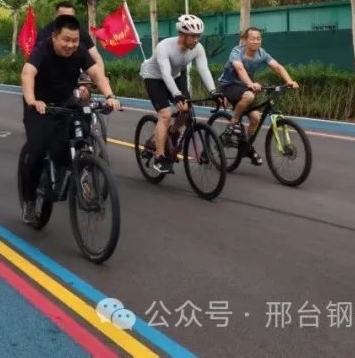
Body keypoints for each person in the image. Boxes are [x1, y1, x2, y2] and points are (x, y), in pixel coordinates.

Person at [20, 15, 121, 224]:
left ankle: (78, 172)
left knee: (80, 134)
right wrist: (32, 100)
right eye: (66, 40)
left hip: (66, 102)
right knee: (37, 151)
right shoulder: (42, 49)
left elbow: (97, 74)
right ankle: (29, 199)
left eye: (75, 40)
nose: (71, 45)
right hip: (40, 105)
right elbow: (27, 73)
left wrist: (110, 96)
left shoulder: (80, 51)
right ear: (54, 37)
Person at [139, 14, 225, 174]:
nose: (196, 40)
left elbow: (203, 69)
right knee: (165, 115)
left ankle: (172, 133)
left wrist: (214, 91)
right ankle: (159, 157)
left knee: (186, 110)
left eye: (198, 36)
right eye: (192, 36)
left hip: (176, 76)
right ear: (182, 34)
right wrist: (177, 94)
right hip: (154, 78)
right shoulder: (164, 47)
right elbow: (165, 74)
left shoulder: (198, 48)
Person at [218, 27, 299, 166]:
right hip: (229, 85)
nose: (256, 41)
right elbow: (239, 69)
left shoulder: (262, 53)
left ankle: (246, 146)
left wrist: (289, 81)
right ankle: (233, 124)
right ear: (244, 40)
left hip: (245, 86)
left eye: (258, 39)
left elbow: (277, 67)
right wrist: (250, 84)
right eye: (253, 39)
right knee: (249, 96)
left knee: (256, 118)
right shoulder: (237, 51)